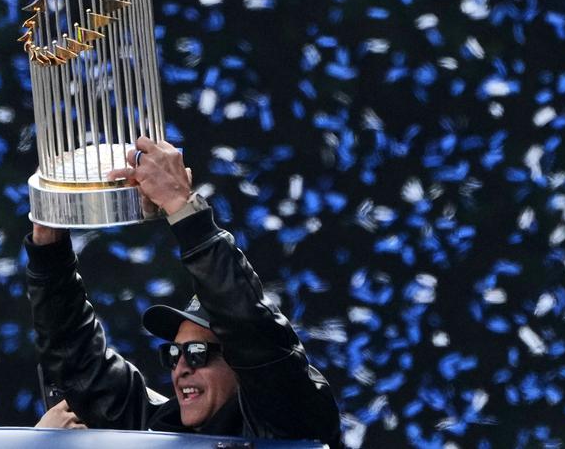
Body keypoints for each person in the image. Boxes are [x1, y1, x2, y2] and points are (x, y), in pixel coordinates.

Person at [26, 136, 341, 446]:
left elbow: (246, 323)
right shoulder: (159, 429)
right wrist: (48, 246)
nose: (181, 368)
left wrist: (181, 206)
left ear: (242, 362)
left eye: (198, 353)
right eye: (174, 354)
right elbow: (77, 361)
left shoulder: (289, 419)